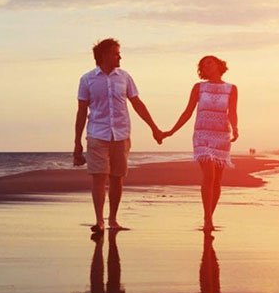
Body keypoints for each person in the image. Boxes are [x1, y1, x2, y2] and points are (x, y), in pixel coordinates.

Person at [73, 38, 163, 233]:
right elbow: (81, 111)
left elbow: (137, 103)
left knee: (117, 177)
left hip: (121, 134)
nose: (119, 56)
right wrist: (77, 143)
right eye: (115, 53)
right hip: (97, 133)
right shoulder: (87, 79)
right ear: (104, 55)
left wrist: (154, 128)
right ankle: (99, 220)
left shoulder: (124, 77)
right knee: (99, 177)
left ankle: (113, 219)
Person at [161, 55, 239, 231]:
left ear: (219, 65)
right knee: (209, 175)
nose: (206, 66)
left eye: (209, 62)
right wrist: (172, 131)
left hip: (221, 136)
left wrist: (235, 128)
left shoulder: (231, 89)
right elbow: (188, 111)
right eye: (203, 65)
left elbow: (232, 112)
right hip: (202, 135)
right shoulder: (199, 88)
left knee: (218, 180)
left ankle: (210, 216)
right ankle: (207, 219)